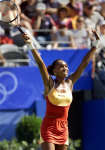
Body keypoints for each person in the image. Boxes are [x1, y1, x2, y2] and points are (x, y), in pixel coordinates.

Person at [22, 30, 100, 150]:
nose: (65, 67)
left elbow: (84, 63)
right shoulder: (49, 84)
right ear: (54, 71)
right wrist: (30, 44)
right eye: (61, 66)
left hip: (63, 128)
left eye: (66, 66)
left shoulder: (70, 83)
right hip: (48, 127)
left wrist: (95, 45)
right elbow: (40, 64)